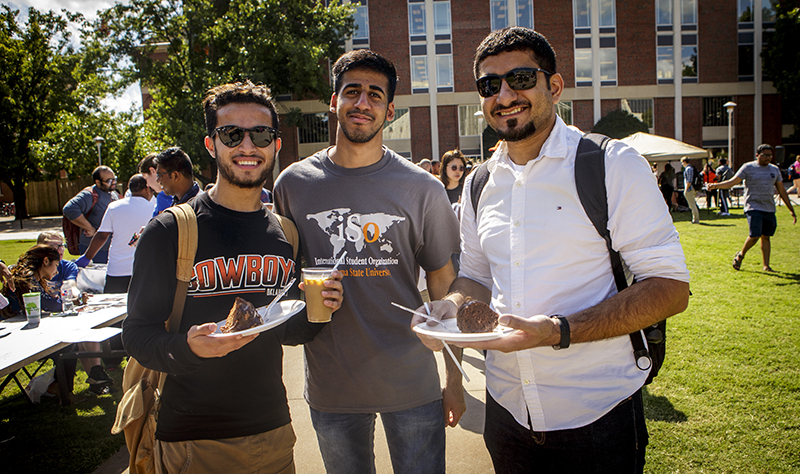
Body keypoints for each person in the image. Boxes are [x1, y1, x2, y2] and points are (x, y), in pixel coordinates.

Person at [412, 27, 690, 473]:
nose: (504, 95)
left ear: (554, 86)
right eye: (490, 85)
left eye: (521, 78)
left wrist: (557, 330)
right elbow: (476, 276)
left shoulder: (611, 165)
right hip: (505, 412)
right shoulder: (480, 182)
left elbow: (671, 289)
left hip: (598, 416)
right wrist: (448, 307)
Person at [123, 80, 343, 473]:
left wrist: (321, 309)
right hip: (194, 440)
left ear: (275, 145)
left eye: (260, 134)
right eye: (231, 134)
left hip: (274, 433)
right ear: (211, 145)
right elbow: (138, 334)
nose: (247, 146)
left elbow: (284, 331)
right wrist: (188, 349)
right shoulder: (171, 231)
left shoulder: (285, 233)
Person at [273, 49, 463, 474]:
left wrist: (454, 380)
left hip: (412, 384)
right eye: (352, 91)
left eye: (375, 95)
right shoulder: (293, 184)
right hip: (332, 387)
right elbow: (280, 279)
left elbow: (443, 285)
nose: (362, 103)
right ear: (334, 101)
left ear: (390, 110)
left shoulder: (422, 188)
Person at [35, 232, 114, 393]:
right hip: (42, 324)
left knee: (84, 330)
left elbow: (71, 285)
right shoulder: (33, 271)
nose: (59, 250)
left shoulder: (67, 266)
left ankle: (96, 376)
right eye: (54, 246)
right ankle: (96, 377)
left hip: (62, 318)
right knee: (78, 337)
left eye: (61, 245)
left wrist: (76, 295)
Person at [708, 144, 796, 272]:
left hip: (769, 208)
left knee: (766, 236)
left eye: (770, 156)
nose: (768, 158)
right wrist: (716, 186)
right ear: (757, 155)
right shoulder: (748, 167)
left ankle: (766, 266)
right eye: (765, 155)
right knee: (754, 235)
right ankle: (740, 255)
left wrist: (791, 210)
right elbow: (732, 182)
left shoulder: (774, 170)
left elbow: (782, 190)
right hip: (753, 206)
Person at [76, 175, 154, 293]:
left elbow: (102, 235)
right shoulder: (154, 208)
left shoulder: (114, 206)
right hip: (145, 270)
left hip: (117, 270)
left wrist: (87, 257)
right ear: (148, 189)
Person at [62, 166, 120, 263]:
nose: (113, 183)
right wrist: (90, 228)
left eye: (114, 179)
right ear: (98, 182)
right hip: (94, 251)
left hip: (110, 248)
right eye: (109, 181)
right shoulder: (89, 195)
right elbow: (69, 209)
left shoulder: (113, 194)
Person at [681, 157, 700, 223]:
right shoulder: (691, 168)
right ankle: (695, 218)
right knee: (692, 204)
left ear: (685, 162)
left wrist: (686, 189)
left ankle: (695, 219)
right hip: (692, 188)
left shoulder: (688, 169)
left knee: (692, 205)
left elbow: (689, 180)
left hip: (689, 189)